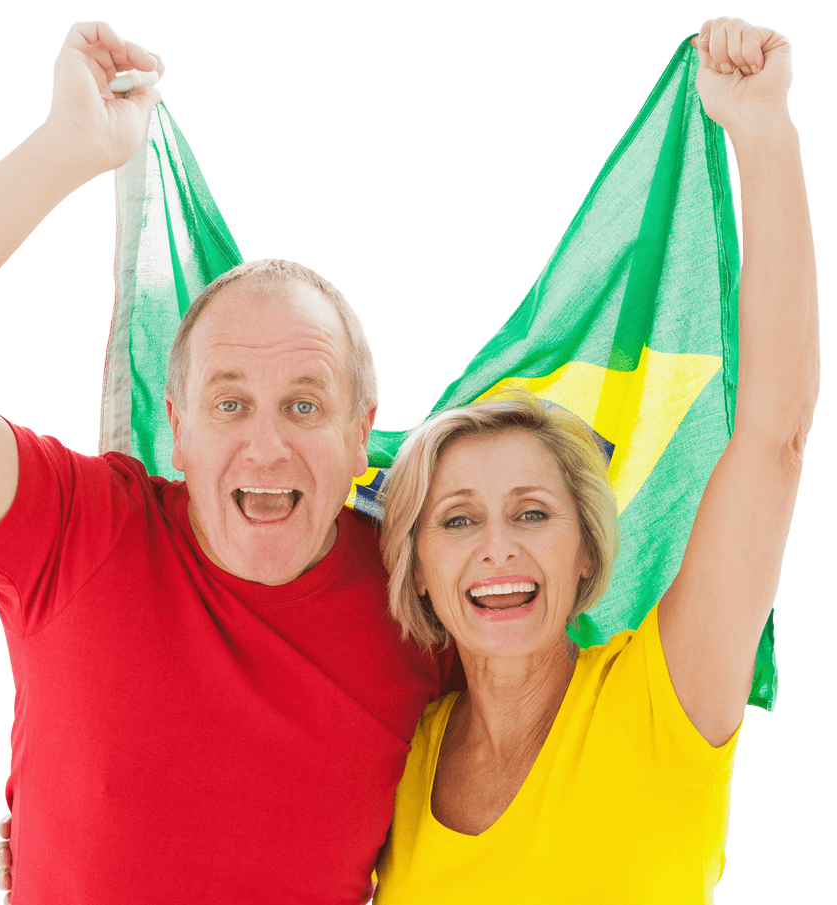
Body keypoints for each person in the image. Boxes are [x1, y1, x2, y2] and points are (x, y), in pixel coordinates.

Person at [0, 21, 456, 905]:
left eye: (305, 404)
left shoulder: (426, 606)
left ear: (363, 433)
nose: (266, 443)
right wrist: (66, 150)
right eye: (228, 402)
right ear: (175, 426)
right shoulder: (79, 527)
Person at [372, 17, 818, 902]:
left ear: (587, 550)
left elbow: (774, 434)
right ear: (418, 569)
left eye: (533, 512)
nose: (497, 547)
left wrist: (763, 132)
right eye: (458, 519)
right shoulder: (404, 752)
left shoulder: (663, 697)